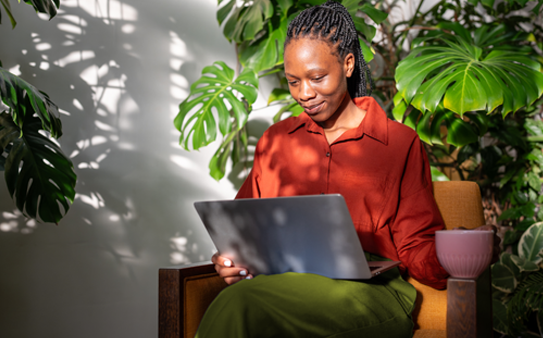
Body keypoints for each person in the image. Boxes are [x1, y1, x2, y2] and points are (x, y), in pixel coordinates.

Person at [195, 1, 500, 337]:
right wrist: (231, 261)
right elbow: (244, 230)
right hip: (282, 287)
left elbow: (415, 245)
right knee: (242, 300)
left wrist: (456, 250)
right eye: (293, 81)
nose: (305, 93)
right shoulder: (276, 141)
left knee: (242, 305)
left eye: (317, 77)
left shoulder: (399, 143)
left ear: (349, 63)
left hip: (371, 293)